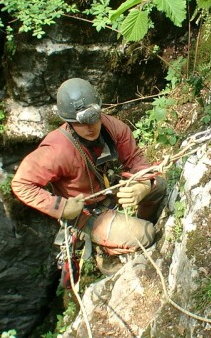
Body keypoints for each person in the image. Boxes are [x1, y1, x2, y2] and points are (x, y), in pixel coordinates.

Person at [11, 78, 167, 276]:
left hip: (108, 192)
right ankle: (106, 250)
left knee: (158, 186)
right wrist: (61, 207)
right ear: (69, 122)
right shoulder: (57, 150)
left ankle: (134, 223)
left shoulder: (112, 128)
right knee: (146, 234)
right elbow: (21, 183)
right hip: (85, 213)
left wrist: (143, 184)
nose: (91, 127)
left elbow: (135, 158)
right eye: (82, 123)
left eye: (94, 118)